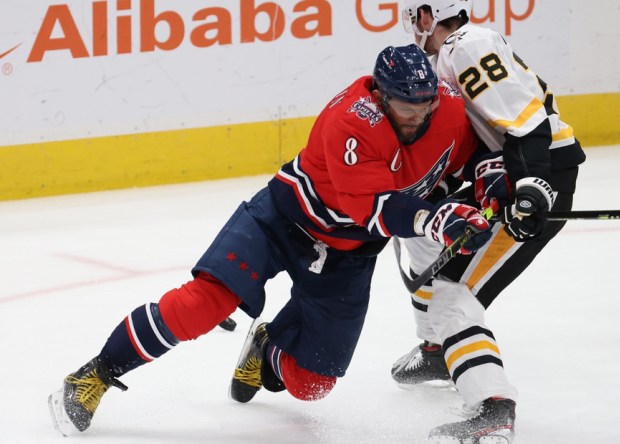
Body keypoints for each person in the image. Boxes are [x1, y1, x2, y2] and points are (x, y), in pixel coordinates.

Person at [46, 44, 498, 436]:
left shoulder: (444, 107)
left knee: (312, 384)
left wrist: (492, 188)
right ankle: (94, 375)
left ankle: (266, 344)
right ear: (380, 96)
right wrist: (438, 219)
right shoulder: (351, 122)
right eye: (406, 108)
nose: (418, 119)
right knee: (203, 304)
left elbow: (475, 154)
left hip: (349, 253)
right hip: (281, 222)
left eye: (426, 108)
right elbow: (379, 209)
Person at [389, 1, 586, 442]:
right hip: (509, 174)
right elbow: (486, 137)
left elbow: (526, 119)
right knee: (421, 235)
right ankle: (438, 349)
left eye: (414, 16)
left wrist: (533, 186)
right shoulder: (447, 57)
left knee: (454, 297)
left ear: (427, 16)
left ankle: (493, 407)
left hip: (539, 176)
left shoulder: (467, 45)